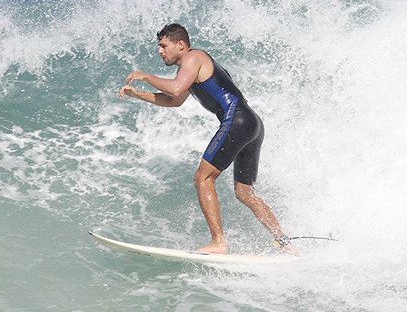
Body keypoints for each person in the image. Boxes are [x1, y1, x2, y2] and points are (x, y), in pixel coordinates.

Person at [119, 23, 297, 255]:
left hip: (237, 121)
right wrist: (138, 94)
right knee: (245, 193)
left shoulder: (194, 57)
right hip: (252, 124)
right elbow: (174, 100)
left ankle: (218, 243)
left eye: (163, 46)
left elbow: (175, 89)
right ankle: (285, 244)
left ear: (180, 45)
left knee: (203, 179)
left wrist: (145, 76)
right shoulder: (190, 68)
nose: (160, 51)